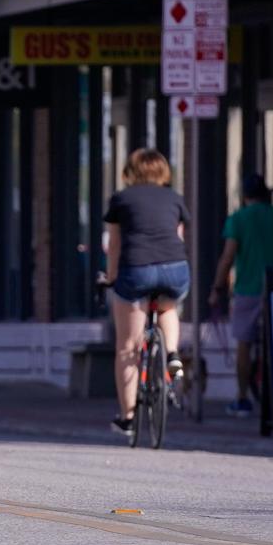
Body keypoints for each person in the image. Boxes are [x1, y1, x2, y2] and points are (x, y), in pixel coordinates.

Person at [102, 147, 190, 434]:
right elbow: (178, 237)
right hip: (176, 268)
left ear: (131, 171)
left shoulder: (121, 199)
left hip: (136, 268)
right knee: (167, 305)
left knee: (127, 347)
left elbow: (114, 245)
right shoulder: (174, 198)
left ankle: (127, 417)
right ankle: (173, 353)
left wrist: (111, 277)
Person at [211, 172, 273, 417]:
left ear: (244, 196)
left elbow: (228, 257)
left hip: (247, 289)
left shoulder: (237, 219)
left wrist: (217, 289)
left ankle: (241, 398)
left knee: (244, 344)